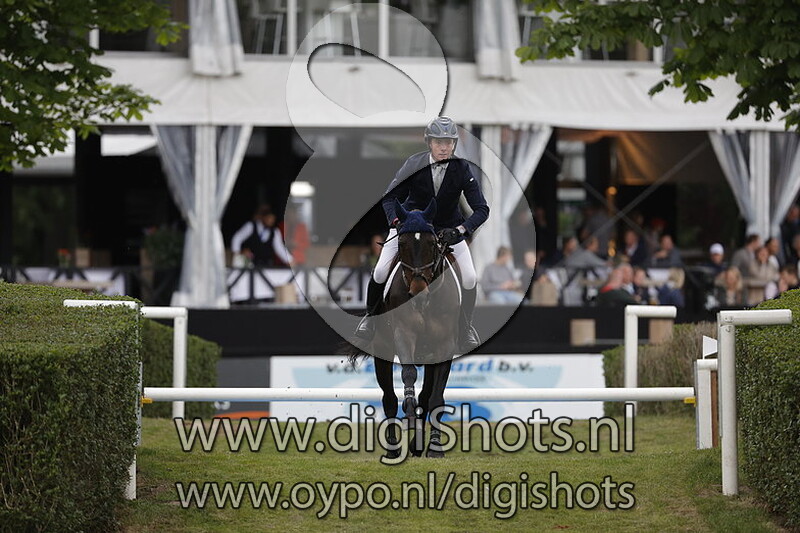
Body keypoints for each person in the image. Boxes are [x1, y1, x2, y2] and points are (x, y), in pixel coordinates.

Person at [354, 116, 489, 352]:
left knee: (469, 277)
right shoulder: (413, 164)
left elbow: (481, 209)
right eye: (439, 142)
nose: (444, 147)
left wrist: (460, 230)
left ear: (454, 144)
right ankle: (370, 318)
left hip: (447, 229)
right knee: (381, 270)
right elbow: (390, 198)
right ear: (429, 143)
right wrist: (397, 222)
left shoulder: (461, 168)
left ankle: (465, 327)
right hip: (411, 227)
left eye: (448, 142)